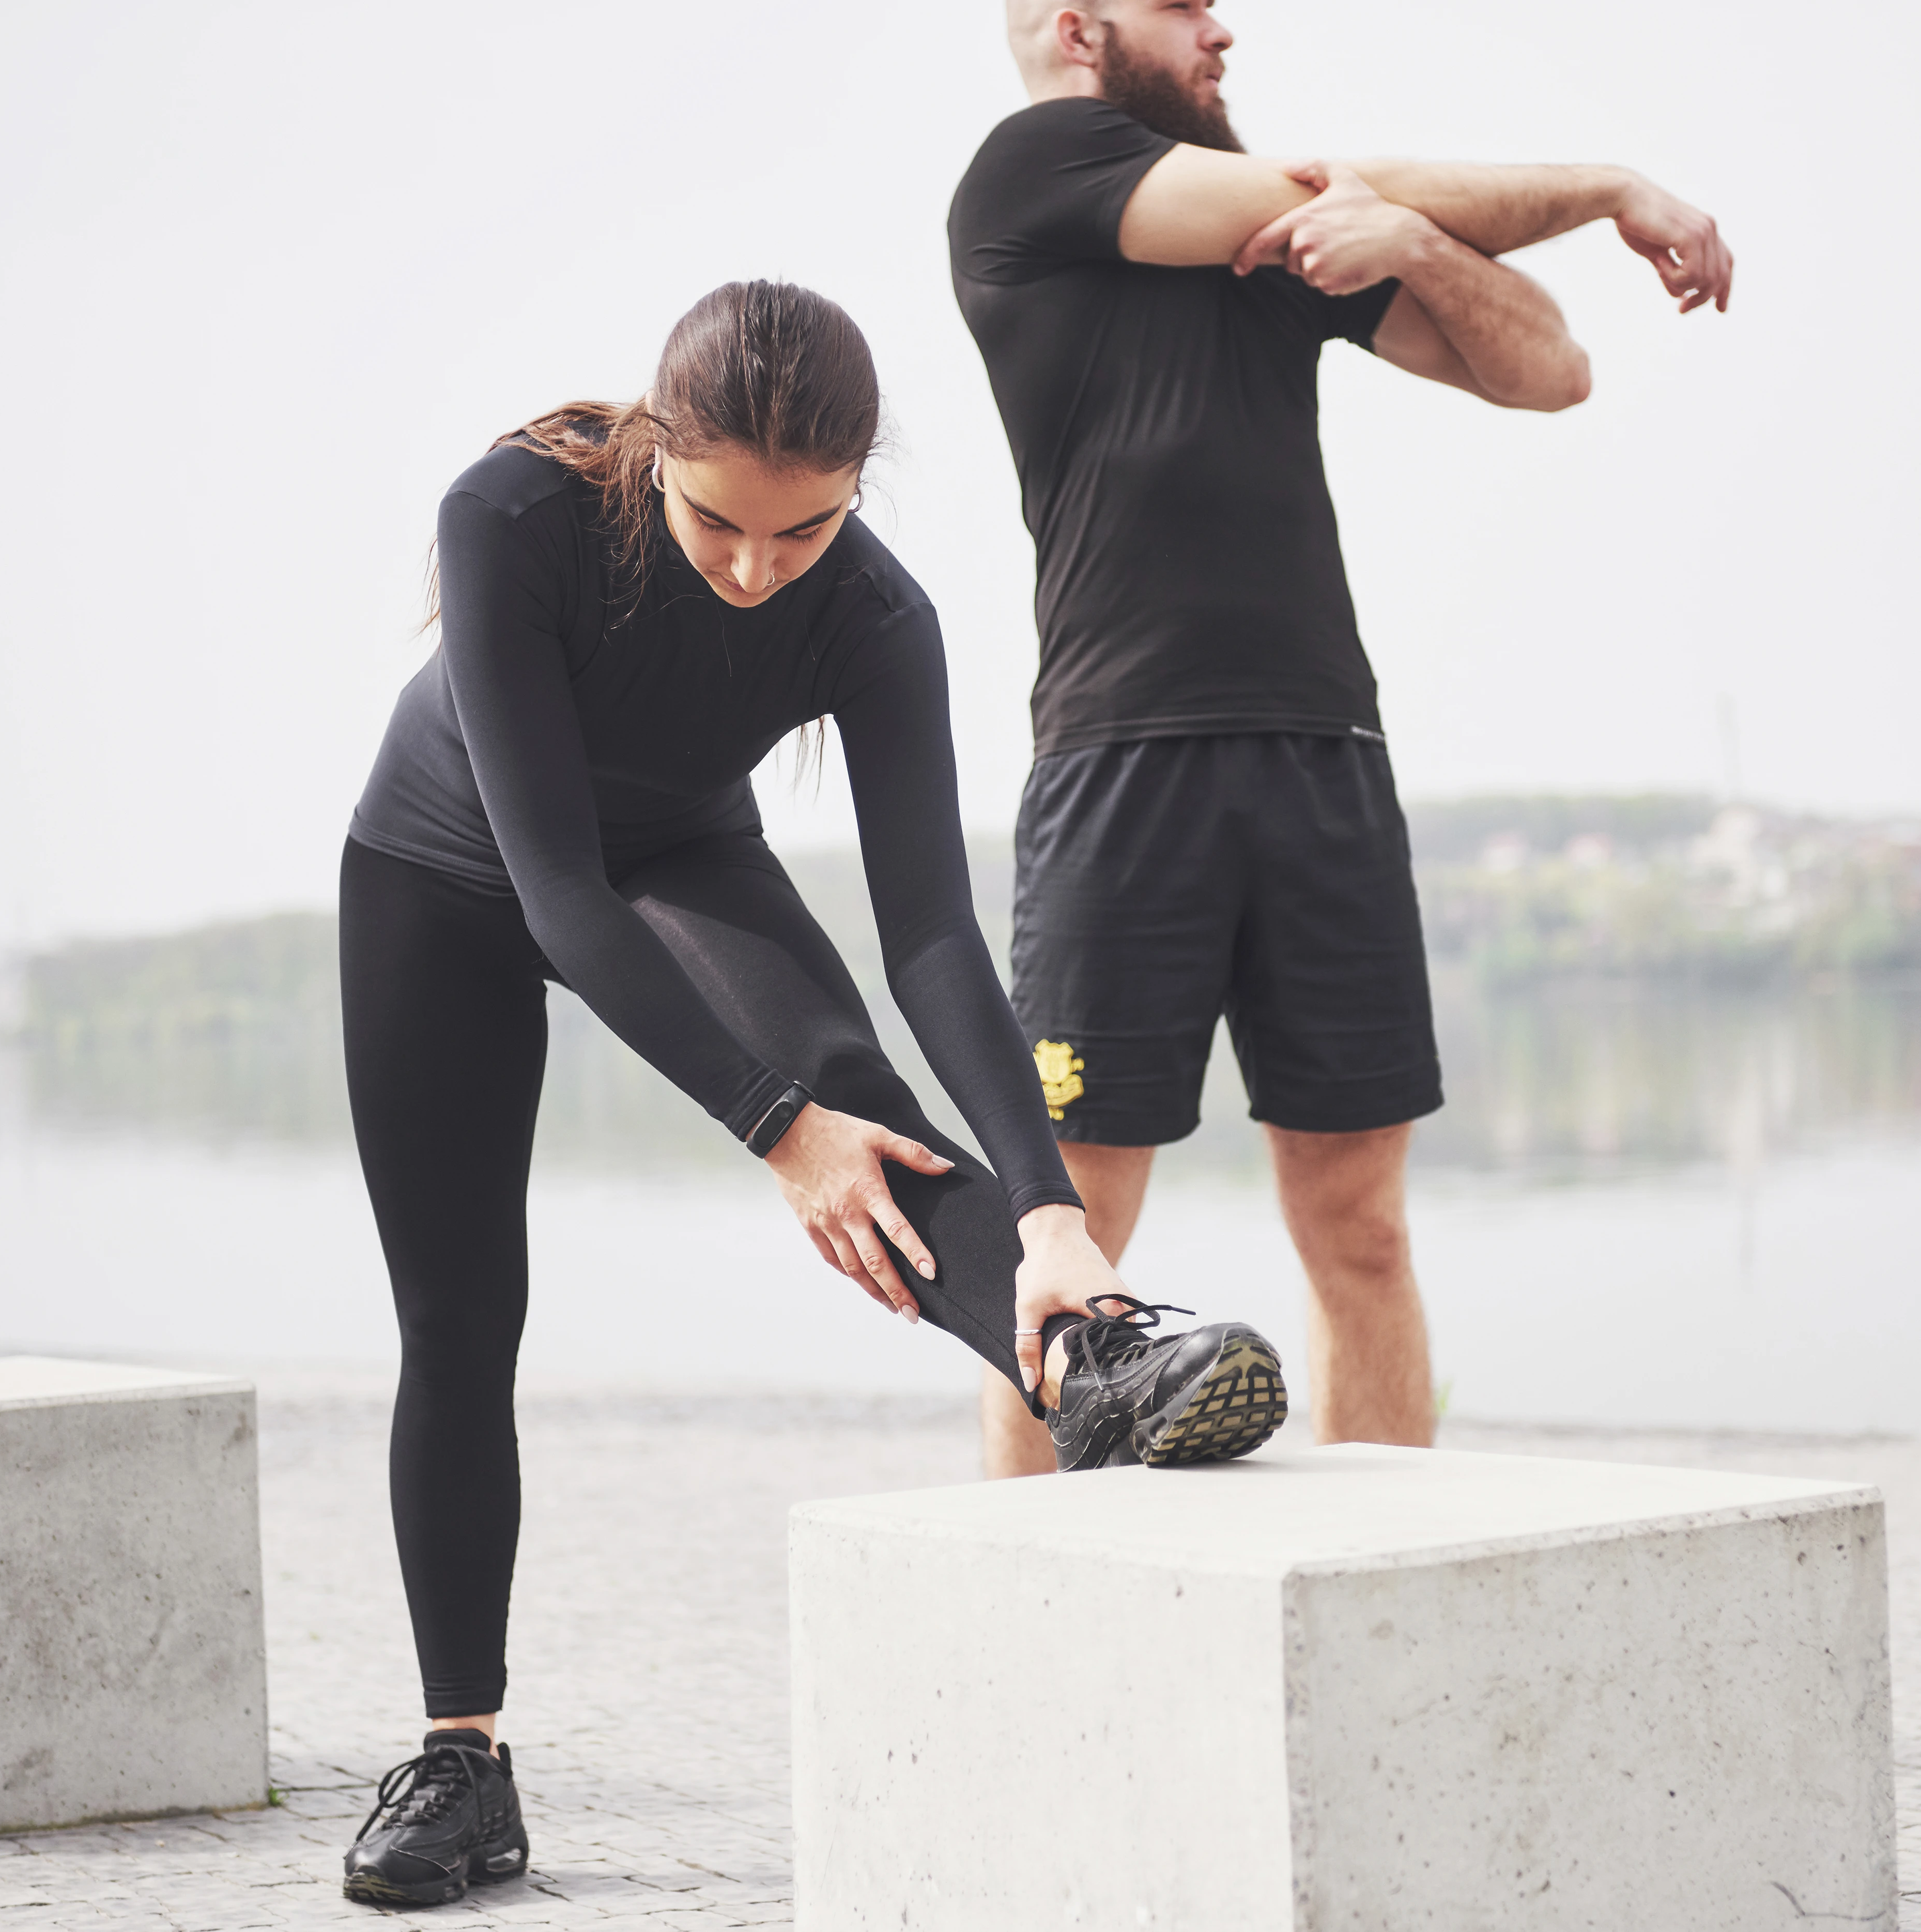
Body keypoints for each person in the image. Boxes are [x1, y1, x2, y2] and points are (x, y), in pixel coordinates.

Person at [332, 280, 1287, 1907]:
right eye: (718, 523)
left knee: (860, 1093)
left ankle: (1091, 1352)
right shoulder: (513, 518)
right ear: (658, 452)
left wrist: (1050, 1209)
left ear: (857, 490)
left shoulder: (879, 616)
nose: (757, 571)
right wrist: (776, 1134)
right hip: (442, 883)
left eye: (806, 532)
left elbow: (931, 934)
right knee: (464, 1317)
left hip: (683, 859)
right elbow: (559, 892)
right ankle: (461, 1760)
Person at [957, 1, 1737, 1478]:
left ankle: (1384, 1571)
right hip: (1122, 768)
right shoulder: (1033, 169)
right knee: (1073, 1243)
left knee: (1361, 1227)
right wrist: (1612, 188)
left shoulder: (1275, 255)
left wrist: (1413, 246)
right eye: (1181, 4)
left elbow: (1551, 369)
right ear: (1078, 25)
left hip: (1324, 762)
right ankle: (1013, 1589)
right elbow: (1331, 186)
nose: (1220, 30)